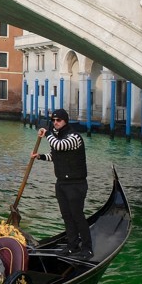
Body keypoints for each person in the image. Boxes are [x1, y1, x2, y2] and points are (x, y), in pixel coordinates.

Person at [35, 109, 92, 260]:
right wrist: (40, 156)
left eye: (58, 120)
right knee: (67, 216)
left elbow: (60, 146)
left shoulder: (74, 137)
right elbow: (55, 155)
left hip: (76, 184)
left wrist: (47, 133)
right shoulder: (58, 136)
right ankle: (72, 246)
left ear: (65, 121)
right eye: (54, 120)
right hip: (61, 183)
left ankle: (87, 248)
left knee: (77, 216)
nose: (55, 123)